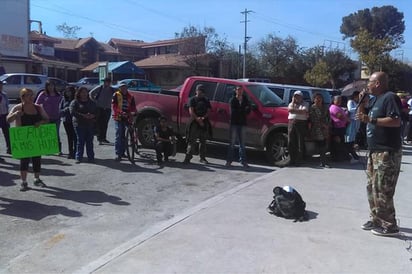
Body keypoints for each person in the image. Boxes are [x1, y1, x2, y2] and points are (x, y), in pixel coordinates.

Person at [356, 71, 402, 237]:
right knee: (372, 188)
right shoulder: (375, 100)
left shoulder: (390, 97)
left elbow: (396, 121)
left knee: (383, 189)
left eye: (370, 82)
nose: (367, 85)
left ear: (377, 83)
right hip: (374, 151)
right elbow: (363, 117)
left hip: (387, 152)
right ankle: (376, 219)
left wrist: (372, 120)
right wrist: (363, 103)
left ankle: (389, 225)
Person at [7, 88, 49, 191]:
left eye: (32, 95)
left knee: (37, 159)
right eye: (28, 95)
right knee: (24, 160)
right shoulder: (18, 107)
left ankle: (37, 179)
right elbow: (8, 119)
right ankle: (23, 182)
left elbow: (47, 119)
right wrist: (15, 115)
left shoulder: (38, 108)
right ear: (22, 97)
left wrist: (40, 123)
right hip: (23, 139)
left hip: (36, 138)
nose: (31, 97)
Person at [183, 84, 212, 164]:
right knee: (191, 141)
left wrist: (203, 118)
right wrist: (197, 119)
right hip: (194, 122)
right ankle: (188, 158)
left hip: (203, 122)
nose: (201, 93)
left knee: (203, 141)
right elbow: (191, 111)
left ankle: (202, 157)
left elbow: (208, 111)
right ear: (196, 91)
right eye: (200, 91)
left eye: (202, 91)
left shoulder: (206, 100)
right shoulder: (192, 99)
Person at [225, 86, 251, 167]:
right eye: (238, 90)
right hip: (234, 123)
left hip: (242, 123)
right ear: (235, 91)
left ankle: (243, 161)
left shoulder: (245, 100)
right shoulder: (233, 100)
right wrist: (243, 110)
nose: (239, 91)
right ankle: (229, 161)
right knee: (232, 143)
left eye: (241, 90)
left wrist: (242, 110)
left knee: (242, 144)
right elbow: (233, 112)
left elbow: (248, 110)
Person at [70, 86, 97, 164]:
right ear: (79, 93)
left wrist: (93, 115)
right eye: (82, 92)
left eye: (86, 92)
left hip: (90, 124)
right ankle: (79, 157)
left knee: (89, 141)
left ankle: (91, 157)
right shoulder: (75, 102)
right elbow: (72, 112)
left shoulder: (91, 102)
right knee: (80, 141)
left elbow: (97, 111)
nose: (84, 94)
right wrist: (83, 116)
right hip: (79, 124)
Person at [35, 80, 62, 155]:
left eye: (52, 85)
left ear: (54, 86)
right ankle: (48, 149)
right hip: (46, 118)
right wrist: (40, 113)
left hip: (56, 117)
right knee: (47, 134)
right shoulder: (43, 94)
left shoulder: (58, 95)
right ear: (46, 86)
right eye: (49, 85)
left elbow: (62, 104)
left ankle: (59, 150)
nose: (51, 87)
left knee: (56, 134)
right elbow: (36, 104)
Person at [112, 83, 137, 161]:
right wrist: (120, 112)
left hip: (127, 117)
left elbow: (133, 107)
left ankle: (123, 152)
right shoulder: (116, 95)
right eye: (122, 87)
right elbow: (114, 106)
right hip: (118, 117)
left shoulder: (131, 96)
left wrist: (133, 112)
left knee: (125, 136)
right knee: (119, 135)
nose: (123, 89)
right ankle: (118, 154)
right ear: (119, 88)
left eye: (125, 87)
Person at [89, 77, 115, 145]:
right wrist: (95, 101)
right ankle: (99, 139)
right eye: (106, 81)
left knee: (105, 124)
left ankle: (104, 138)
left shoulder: (112, 89)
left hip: (108, 108)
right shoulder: (100, 88)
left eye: (108, 82)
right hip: (99, 108)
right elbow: (91, 93)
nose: (107, 83)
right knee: (99, 124)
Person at [309, 93, 330, 168]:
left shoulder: (325, 107)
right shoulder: (312, 108)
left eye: (320, 98)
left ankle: (324, 161)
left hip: (325, 129)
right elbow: (313, 118)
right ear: (314, 99)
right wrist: (322, 124)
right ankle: (322, 162)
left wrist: (327, 125)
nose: (318, 100)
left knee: (324, 145)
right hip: (316, 129)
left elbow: (329, 117)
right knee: (321, 145)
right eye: (317, 98)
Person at [287, 90, 308, 166]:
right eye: (295, 96)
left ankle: (298, 160)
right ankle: (291, 159)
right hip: (291, 123)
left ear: (302, 97)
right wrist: (293, 103)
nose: (297, 98)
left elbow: (304, 111)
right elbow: (290, 110)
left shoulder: (305, 104)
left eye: (298, 96)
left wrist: (294, 110)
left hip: (301, 123)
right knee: (291, 142)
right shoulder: (291, 104)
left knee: (300, 142)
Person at [329, 95, 350, 161]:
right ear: (334, 100)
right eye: (337, 100)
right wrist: (347, 119)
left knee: (340, 143)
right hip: (337, 128)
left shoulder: (338, 107)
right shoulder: (334, 107)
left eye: (340, 100)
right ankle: (336, 157)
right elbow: (340, 116)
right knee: (337, 143)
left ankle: (340, 157)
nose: (339, 101)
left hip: (341, 127)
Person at [59, 86, 77, 159]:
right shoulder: (63, 99)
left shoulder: (76, 99)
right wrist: (67, 109)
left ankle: (76, 152)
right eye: (67, 91)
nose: (68, 93)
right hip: (66, 121)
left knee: (75, 137)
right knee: (69, 137)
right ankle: (71, 152)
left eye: (69, 91)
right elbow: (60, 110)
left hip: (75, 121)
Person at [345, 91, 361, 161]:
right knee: (350, 137)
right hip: (352, 120)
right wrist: (358, 107)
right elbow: (350, 110)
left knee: (354, 136)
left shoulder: (357, 103)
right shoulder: (350, 102)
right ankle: (351, 152)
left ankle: (352, 151)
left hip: (356, 120)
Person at [0, 81, 11, 157]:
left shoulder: (4, 95)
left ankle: (10, 148)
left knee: (7, 133)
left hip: (4, 116)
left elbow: (7, 105)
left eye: (1, 85)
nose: (1, 87)